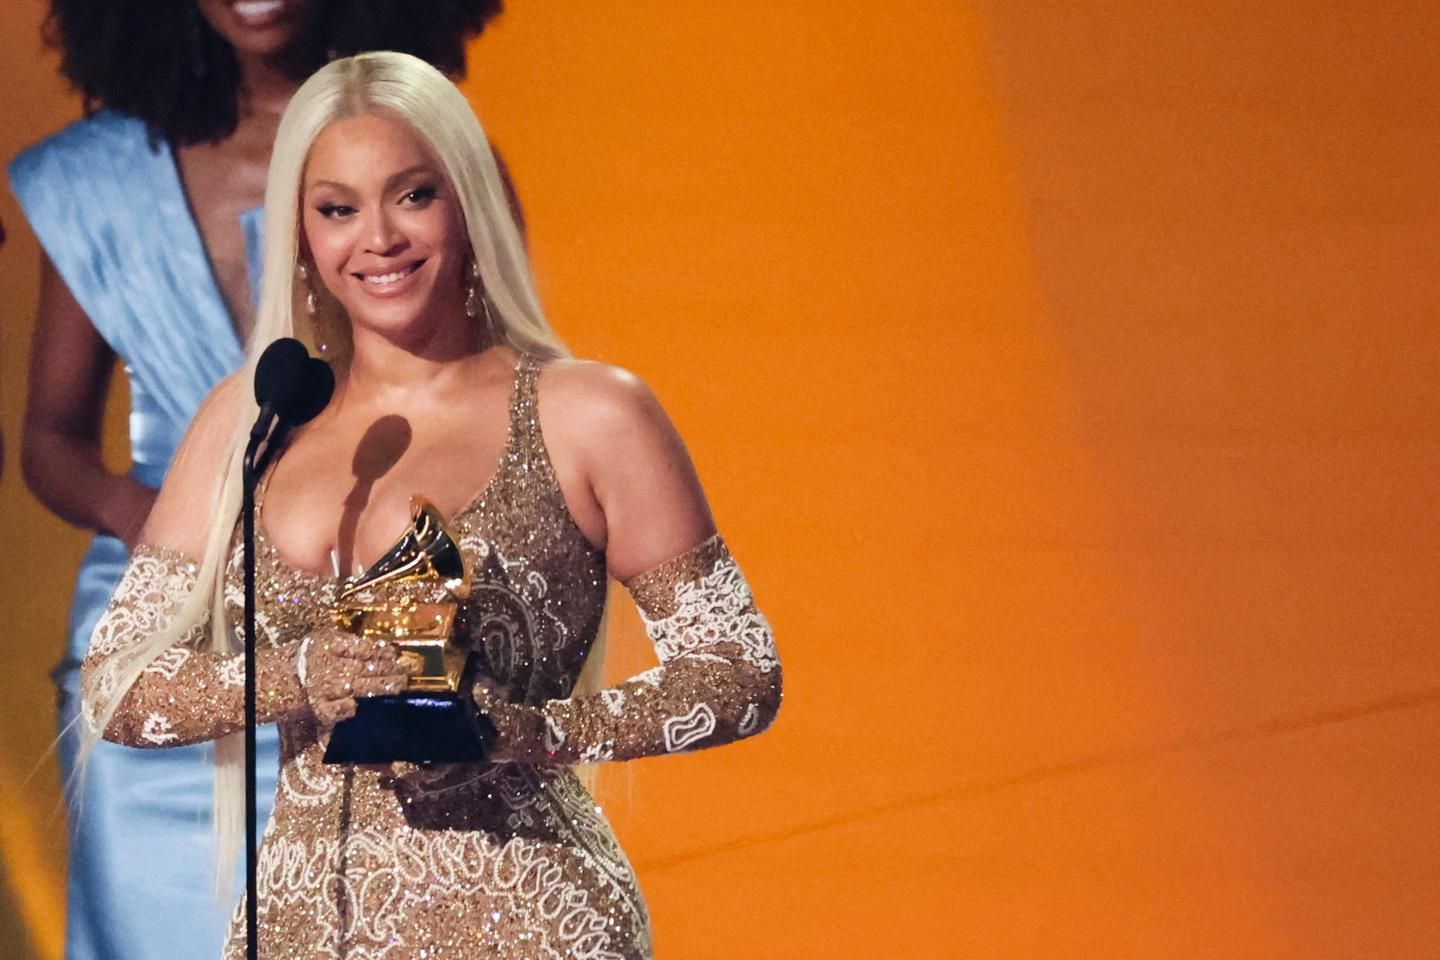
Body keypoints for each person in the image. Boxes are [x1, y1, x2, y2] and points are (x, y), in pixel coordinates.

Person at [79, 51, 782, 958]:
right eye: (337, 208)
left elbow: (737, 672)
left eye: (412, 196)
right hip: (304, 926)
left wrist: (529, 733)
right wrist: (299, 676)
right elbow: (118, 686)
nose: (378, 238)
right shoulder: (254, 417)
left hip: (533, 922)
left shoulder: (591, 413)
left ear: (467, 203)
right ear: (300, 231)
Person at [7, 3, 503, 957]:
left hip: (381, 629)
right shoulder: (96, 182)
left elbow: (494, 418)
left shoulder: (424, 157)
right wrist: (150, 520)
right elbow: (49, 438)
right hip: (168, 656)